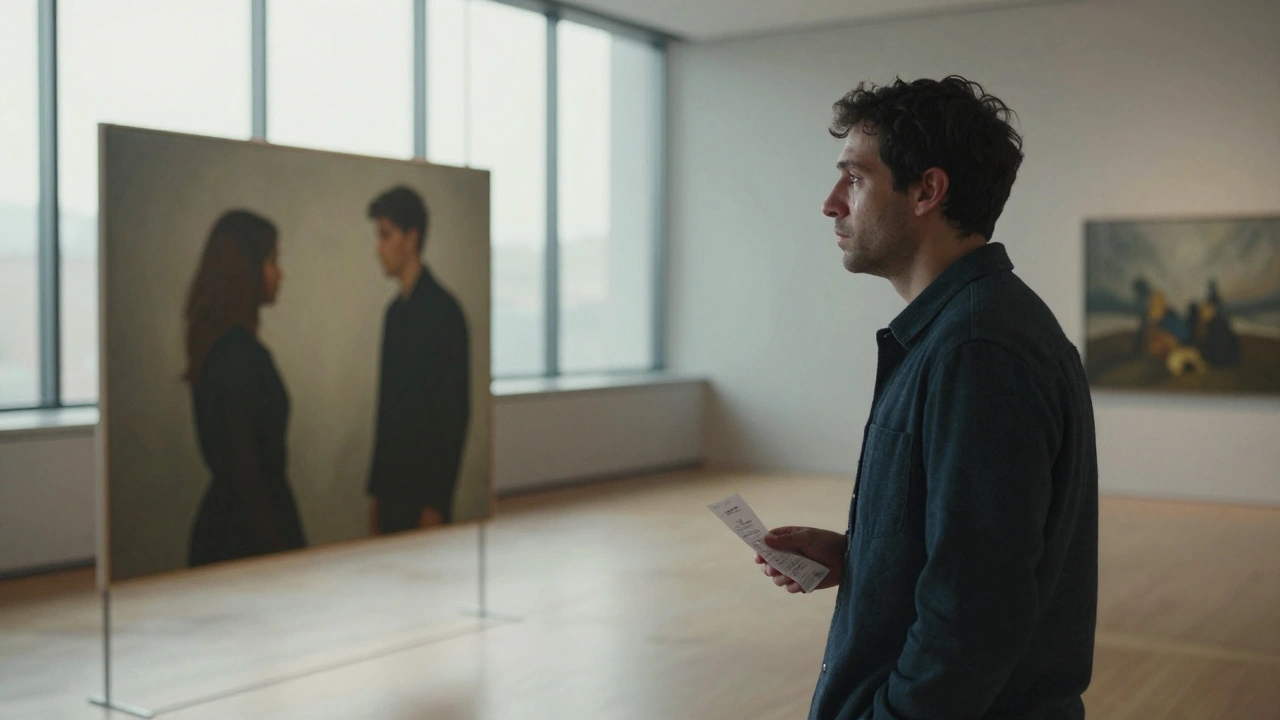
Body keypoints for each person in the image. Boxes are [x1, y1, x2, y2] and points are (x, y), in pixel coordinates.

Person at [755, 77, 1099, 720]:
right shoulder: (970, 330)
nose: (831, 203)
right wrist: (864, 560)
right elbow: (976, 546)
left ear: (927, 191)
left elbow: (975, 609)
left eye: (854, 178)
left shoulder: (977, 350)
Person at [184, 210, 307, 567]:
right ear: (246, 270)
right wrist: (277, 550)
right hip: (246, 534)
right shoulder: (238, 356)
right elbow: (246, 471)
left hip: (235, 526)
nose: (280, 273)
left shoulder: (222, 349)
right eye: (272, 261)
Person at [366, 186, 470, 535]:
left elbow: (454, 416)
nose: (378, 248)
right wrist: (376, 495)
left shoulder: (445, 312)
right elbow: (387, 411)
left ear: (411, 238)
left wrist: (435, 504)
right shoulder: (394, 314)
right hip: (392, 493)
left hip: (424, 498)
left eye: (385, 236)